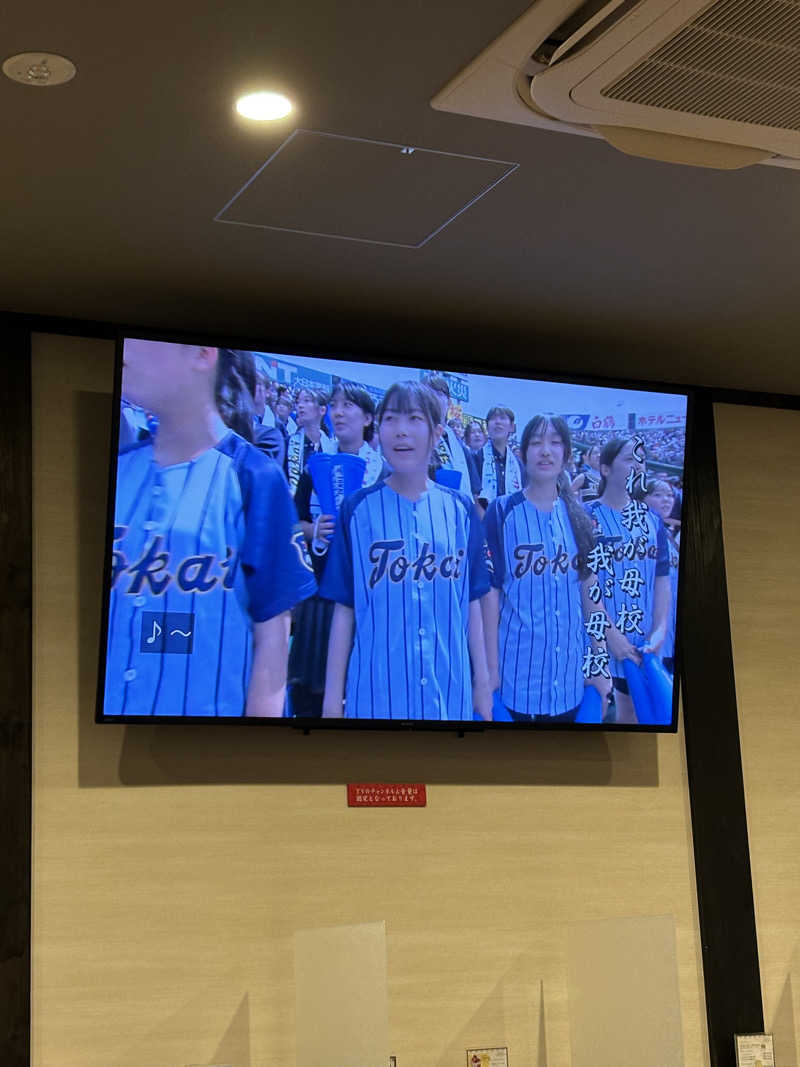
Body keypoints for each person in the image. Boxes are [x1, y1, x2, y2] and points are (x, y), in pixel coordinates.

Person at [104, 340, 316, 718]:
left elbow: (273, 638)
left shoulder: (253, 476)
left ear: (202, 353)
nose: (127, 348)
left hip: (210, 741)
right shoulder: (117, 467)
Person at [320, 380, 492, 721]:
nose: (401, 431)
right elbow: (344, 610)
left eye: (414, 419)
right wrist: (331, 699)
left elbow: (473, 602)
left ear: (437, 431)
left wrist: (483, 681)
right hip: (374, 696)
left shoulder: (460, 509)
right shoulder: (357, 509)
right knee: (379, 778)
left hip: (448, 694)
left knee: (443, 777)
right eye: (391, 419)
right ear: (377, 430)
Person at [483, 415, 612, 722]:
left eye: (555, 443)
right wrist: (490, 670)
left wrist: (599, 662)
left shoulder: (581, 518)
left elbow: (590, 595)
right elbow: (490, 597)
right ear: (523, 452)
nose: (546, 451)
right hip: (517, 679)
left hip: (571, 682)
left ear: (567, 455)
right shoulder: (501, 511)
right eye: (537, 442)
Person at [289, 382, 387, 717]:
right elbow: (295, 522)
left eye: (348, 406)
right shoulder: (314, 466)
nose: (339, 412)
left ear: (368, 418)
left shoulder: (383, 473)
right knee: (310, 697)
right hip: (320, 592)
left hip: (366, 596)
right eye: (334, 405)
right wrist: (314, 529)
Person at [586, 437, 671, 723]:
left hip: (642, 645)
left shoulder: (653, 520)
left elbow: (661, 581)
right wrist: (613, 638)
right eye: (629, 458)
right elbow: (583, 585)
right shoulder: (585, 516)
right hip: (598, 645)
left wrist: (659, 632)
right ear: (606, 468)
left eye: (641, 459)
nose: (637, 464)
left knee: (636, 717)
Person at [423, 375, 481, 499]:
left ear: (449, 402)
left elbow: (475, 492)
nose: (432, 399)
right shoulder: (414, 440)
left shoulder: (460, 446)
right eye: (427, 394)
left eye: (438, 393)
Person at [645, 478, 680, 674]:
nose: (666, 500)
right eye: (657, 495)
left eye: (669, 495)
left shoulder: (664, 532)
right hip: (652, 623)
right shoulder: (643, 533)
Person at [285, 386, 337, 493]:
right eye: (298, 402)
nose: (300, 406)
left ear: (322, 410)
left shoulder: (332, 449)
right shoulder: (287, 443)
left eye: (306, 401)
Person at [474, 405, 524, 508]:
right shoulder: (477, 458)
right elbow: (474, 495)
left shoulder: (518, 464)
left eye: (502, 418)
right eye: (493, 418)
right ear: (487, 427)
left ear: (511, 427)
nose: (497, 422)